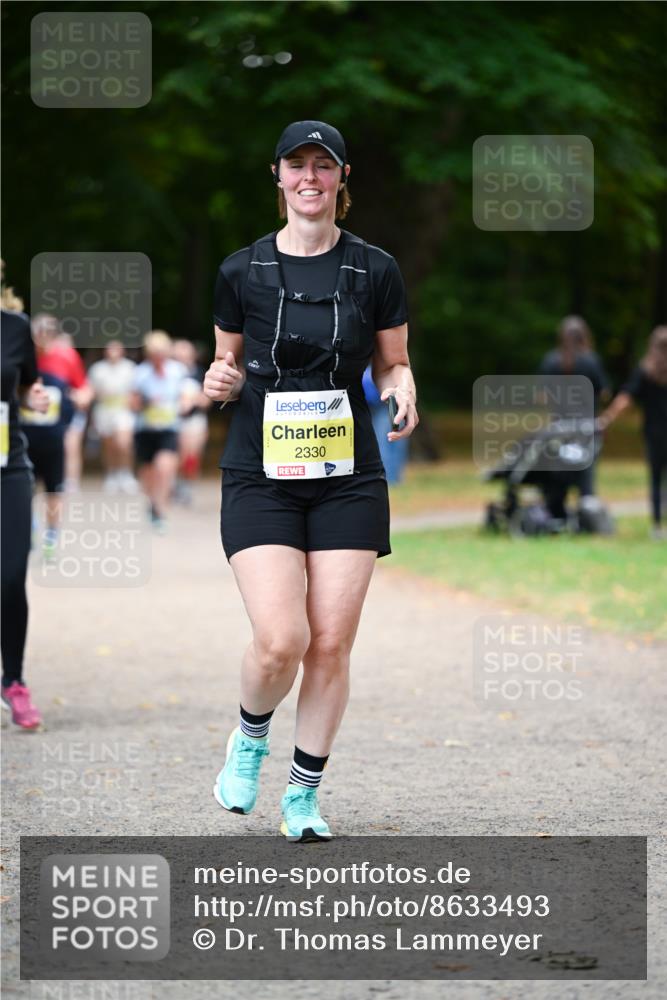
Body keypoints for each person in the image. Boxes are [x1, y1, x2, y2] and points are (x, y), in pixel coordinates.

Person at [204, 120, 418, 842]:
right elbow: (226, 367)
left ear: (341, 178)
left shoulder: (374, 269)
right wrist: (218, 380)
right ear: (277, 175)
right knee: (281, 640)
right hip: (259, 473)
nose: (309, 177)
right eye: (296, 164)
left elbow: (392, 361)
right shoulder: (241, 270)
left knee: (329, 644)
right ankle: (249, 737)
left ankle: (302, 796)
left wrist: (402, 388)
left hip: (347, 475)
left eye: (322, 166)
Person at [1, 274, 50, 728]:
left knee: (11, 575)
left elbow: (26, 386)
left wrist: (33, 397)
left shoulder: (15, 327)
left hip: (8, 467)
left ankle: (13, 681)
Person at [598, 326, 667, 539]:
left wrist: (607, 418)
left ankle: (657, 526)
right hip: (656, 432)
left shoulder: (645, 371)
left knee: (655, 479)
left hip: (654, 433)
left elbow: (625, 398)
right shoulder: (645, 370)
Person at [538, 315, 610, 519]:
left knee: (559, 467)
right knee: (585, 469)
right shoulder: (591, 361)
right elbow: (604, 393)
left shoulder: (551, 360)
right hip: (586, 427)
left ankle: (556, 510)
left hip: (560, 427)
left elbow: (542, 396)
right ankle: (587, 512)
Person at [130, 330, 189, 532]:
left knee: (165, 467)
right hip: (145, 429)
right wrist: (145, 402)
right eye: (155, 354)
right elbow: (132, 402)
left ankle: (160, 509)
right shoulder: (140, 373)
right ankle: (152, 502)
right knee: (148, 472)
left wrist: (183, 404)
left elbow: (186, 395)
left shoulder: (178, 371)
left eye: (162, 353)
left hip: (169, 428)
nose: (159, 357)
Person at [32, 313, 93, 493]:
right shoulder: (24, 355)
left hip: (64, 415)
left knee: (70, 444)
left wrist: (81, 397)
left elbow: (84, 387)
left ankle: (69, 484)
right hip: (32, 420)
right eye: (40, 331)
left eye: (49, 332)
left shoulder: (67, 356)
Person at [20, 369, 73, 560]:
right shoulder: (20, 384)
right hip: (26, 448)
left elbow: (68, 413)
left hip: (53, 448)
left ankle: (51, 536)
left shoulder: (58, 383)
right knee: (25, 492)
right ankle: (30, 528)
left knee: (54, 493)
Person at [88, 340, 138, 494]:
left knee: (124, 443)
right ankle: (112, 474)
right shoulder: (98, 369)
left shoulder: (130, 368)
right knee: (109, 445)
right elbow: (92, 391)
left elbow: (135, 391)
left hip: (123, 410)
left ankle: (126, 473)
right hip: (104, 410)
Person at [171, 339, 211, 505]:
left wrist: (194, 400)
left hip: (195, 420)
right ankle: (174, 484)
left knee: (192, 454)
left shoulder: (200, 373)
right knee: (177, 455)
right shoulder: (169, 372)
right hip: (173, 420)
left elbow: (207, 399)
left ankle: (187, 485)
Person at [362, 363, 409, 484]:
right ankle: (396, 478)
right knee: (397, 445)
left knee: (384, 445)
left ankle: (390, 478)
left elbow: (369, 399)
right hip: (397, 409)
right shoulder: (394, 372)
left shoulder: (366, 375)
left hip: (381, 411)